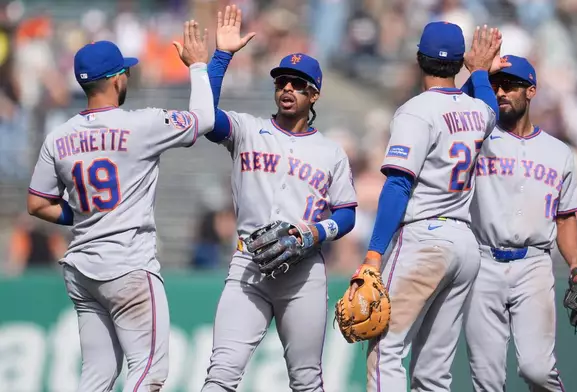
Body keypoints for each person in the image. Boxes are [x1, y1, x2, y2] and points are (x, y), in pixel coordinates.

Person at [26, 21, 215, 391]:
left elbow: (37, 203)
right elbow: (204, 120)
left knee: (96, 376)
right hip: (128, 265)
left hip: (82, 269)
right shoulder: (141, 124)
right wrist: (197, 66)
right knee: (148, 372)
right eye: (125, 71)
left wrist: (82, 215)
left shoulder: (59, 137)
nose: (128, 76)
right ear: (115, 79)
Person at [201, 5, 357, 391]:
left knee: (306, 382)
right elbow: (205, 118)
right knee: (221, 374)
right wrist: (222, 56)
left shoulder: (330, 151)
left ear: (314, 94)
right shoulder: (247, 129)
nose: (287, 88)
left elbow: (348, 214)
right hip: (248, 264)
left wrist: (313, 234)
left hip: (303, 273)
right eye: (282, 81)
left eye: (298, 83)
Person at [347, 23, 502, 392]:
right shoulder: (478, 110)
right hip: (464, 244)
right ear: (460, 61)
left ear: (419, 59)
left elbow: (399, 184)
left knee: (385, 350)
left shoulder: (414, 112)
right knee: (433, 372)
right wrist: (479, 72)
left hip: (424, 239)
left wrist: (373, 254)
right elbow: (488, 107)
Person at [463, 55, 577, 392]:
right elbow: (457, 107)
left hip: (534, 264)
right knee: (486, 379)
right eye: (495, 86)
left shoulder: (558, 152)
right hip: (482, 262)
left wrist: (576, 265)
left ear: (531, 91)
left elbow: (565, 217)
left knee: (538, 370)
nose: (501, 92)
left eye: (510, 85)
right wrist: (476, 71)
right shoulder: (479, 139)